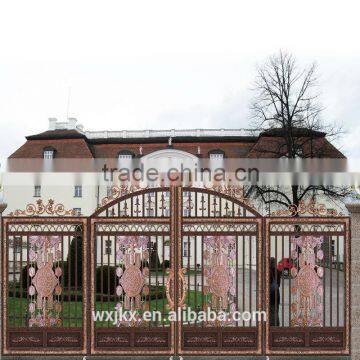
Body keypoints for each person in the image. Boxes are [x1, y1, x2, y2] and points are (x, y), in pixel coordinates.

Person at [269, 257, 281, 326]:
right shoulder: (278, 271)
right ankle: (277, 324)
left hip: (271, 294)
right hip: (277, 293)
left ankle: (271, 325)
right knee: (276, 310)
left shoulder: (268, 272)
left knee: (271, 310)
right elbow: (278, 284)